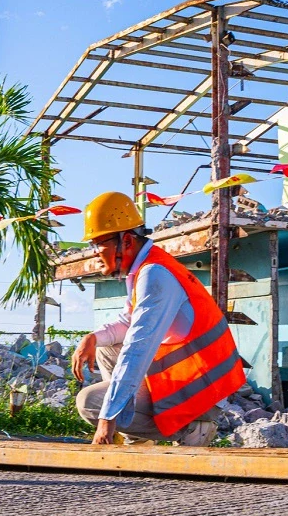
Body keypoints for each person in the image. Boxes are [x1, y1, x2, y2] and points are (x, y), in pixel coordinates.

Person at [70, 191, 246, 446]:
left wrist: (108, 416)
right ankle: (137, 435)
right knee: (105, 350)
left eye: (98, 243)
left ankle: (191, 429)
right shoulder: (146, 268)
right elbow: (127, 323)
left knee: (90, 403)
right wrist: (92, 338)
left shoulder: (155, 275)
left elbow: (137, 348)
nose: (94, 252)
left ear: (127, 241)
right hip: (198, 380)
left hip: (204, 393)